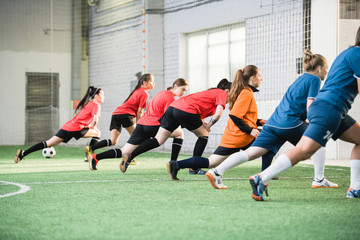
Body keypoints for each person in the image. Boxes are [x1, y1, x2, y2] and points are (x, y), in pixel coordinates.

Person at [248, 28, 360, 201]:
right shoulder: (357, 54)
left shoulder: (350, 53)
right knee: (304, 150)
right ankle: (261, 178)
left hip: (331, 109)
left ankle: (355, 189)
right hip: (329, 109)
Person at [207, 49, 338, 191]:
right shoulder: (315, 79)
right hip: (289, 122)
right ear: (320, 68)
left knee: (251, 153)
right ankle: (319, 179)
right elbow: (310, 105)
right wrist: (314, 121)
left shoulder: (300, 78)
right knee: (318, 141)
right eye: (326, 68)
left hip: (273, 123)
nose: (326, 72)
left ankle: (216, 171)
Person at [166, 66, 267, 181]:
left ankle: (176, 165)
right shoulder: (246, 93)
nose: (261, 79)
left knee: (211, 162)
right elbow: (234, 115)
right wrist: (251, 130)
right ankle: (267, 173)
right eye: (259, 76)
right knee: (269, 142)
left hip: (233, 137)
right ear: (252, 78)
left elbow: (245, 116)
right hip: (242, 136)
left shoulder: (245, 92)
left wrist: (260, 121)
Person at [120, 79, 233, 179]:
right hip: (185, 111)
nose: (233, 98)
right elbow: (218, 115)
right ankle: (194, 168)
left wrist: (204, 124)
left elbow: (199, 114)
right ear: (227, 91)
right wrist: (208, 126)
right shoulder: (222, 93)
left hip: (173, 108)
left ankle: (131, 155)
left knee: (159, 140)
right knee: (203, 136)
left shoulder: (210, 93)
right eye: (234, 94)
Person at [86, 78, 189, 171]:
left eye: (185, 90)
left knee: (123, 151)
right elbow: (168, 118)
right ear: (175, 86)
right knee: (179, 133)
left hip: (141, 125)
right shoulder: (169, 98)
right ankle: (173, 164)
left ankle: (96, 157)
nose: (184, 92)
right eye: (183, 89)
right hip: (152, 125)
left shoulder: (161, 93)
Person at [14, 86, 105, 162]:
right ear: (96, 96)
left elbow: (83, 118)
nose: (103, 96)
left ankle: (22, 153)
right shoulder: (96, 104)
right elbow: (95, 120)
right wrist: (94, 127)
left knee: (48, 143)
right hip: (77, 128)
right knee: (97, 133)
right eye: (102, 94)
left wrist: (89, 127)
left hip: (68, 126)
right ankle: (88, 156)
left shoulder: (89, 103)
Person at [84, 73, 154, 162]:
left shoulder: (137, 90)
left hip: (116, 114)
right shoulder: (144, 93)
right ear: (144, 82)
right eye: (152, 81)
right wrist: (140, 125)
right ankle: (128, 158)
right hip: (126, 115)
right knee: (137, 139)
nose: (153, 83)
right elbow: (139, 111)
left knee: (113, 141)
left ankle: (91, 148)